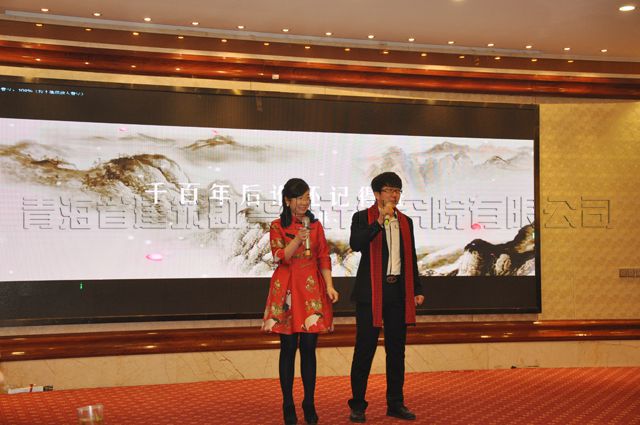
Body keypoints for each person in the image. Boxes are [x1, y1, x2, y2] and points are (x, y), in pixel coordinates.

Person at [348, 172, 425, 423]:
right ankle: (358, 405)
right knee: (364, 350)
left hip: (397, 293)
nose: (394, 195)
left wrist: (417, 289)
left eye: (398, 190)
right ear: (377, 194)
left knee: (396, 351)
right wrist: (379, 222)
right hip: (370, 293)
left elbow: (410, 258)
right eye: (390, 190)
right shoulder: (362, 218)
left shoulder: (406, 222)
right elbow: (356, 243)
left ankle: (395, 403)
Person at [262, 178, 340, 425]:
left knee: (308, 348)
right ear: (287, 200)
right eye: (299, 198)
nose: (304, 202)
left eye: (307, 197)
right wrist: (297, 238)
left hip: (310, 289)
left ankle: (309, 402)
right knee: (287, 348)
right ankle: (288, 403)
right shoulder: (277, 226)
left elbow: (323, 257)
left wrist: (329, 285)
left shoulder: (315, 225)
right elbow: (279, 256)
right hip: (286, 289)